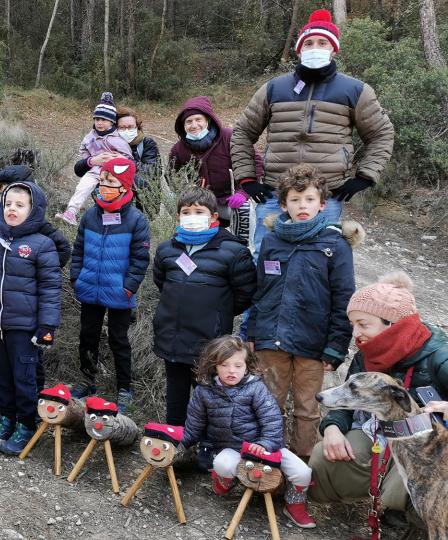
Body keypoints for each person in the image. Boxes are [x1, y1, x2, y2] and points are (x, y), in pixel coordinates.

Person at [231, 9, 395, 253]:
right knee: (266, 257)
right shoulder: (273, 88)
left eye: (322, 42)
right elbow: (243, 131)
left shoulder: (356, 90)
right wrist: (247, 179)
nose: (314, 47)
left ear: (333, 49)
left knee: (319, 259)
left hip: (326, 195)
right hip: (276, 193)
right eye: (308, 43)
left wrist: (364, 177)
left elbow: (381, 133)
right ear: (299, 49)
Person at [309, 271, 448, 520]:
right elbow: (348, 399)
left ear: (393, 324)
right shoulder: (367, 354)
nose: (355, 334)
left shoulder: (439, 355)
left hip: (432, 449)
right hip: (380, 435)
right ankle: (376, 504)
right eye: (353, 325)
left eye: (363, 324)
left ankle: (411, 518)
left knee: (420, 491)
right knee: (322, 457)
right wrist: (331, 428)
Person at [247, 164, 361, 459]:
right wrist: (251, 331)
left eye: (309, 199)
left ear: (323, 204)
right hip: (270, 339)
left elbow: (343, 299)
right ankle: (264, 464)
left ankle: (299, 469)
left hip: (313, 344)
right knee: (267, 402)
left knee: (307, 408)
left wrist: (336, 347)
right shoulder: (272, 239)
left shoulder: (335, 243)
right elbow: (260, 290)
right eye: (295, 200)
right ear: (283, 203)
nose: (302, 206)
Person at [0, 179, 61, 454]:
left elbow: (50, 290)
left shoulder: (42, 245)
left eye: (20, 205)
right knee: (1, 376)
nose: (12, 209)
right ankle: (6, 417)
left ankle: (26, 423)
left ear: (34, 209)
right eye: (8, 204)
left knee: (24, 377)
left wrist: (47, 326)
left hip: (25, 328)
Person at [179, 336, 316, 528]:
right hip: (233, 448)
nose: (231, 371)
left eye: (237, 365)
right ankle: (225, 482)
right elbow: (194, 426)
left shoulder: (256, 388)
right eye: (224, 365)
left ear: (246, 366)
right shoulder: (204, 392)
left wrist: (264, 444)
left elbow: (272, 421)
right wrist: (180, 444)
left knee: (302, 472)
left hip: (265, 446)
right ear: (214, 366)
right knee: (222, 464)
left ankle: (294, 504)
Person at [152, 187, 256, 426]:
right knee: (175, 398)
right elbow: (162, 284)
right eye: (186, 211)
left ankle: (206, 450)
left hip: (209, 342)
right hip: (172, 338)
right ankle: (174, 447)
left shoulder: (234, 251)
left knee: (209, 399)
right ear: (178, 216)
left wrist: (218, 314)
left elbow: (245, 294)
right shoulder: (167, 249)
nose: (192, 215)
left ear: (214, 217)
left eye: (199, 211)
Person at [69, 157, 150, 410]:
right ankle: (87, 379)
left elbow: (140, 259)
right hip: (90, 288)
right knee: (87, 336)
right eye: (102, 180)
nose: (104, 186)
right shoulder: (91, 215)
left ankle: (124, 388)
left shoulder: (136, 220)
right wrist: (76, 277)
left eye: (111, 182)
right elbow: (78, 249)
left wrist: (128, 288)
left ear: (125, 187)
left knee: (119, 340)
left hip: (119, 293)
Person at [169, 96, 263, 245]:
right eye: (188, 121)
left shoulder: (229, 137)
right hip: (199, 201)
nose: (194, 125)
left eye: (198, 119)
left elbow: (255, 162)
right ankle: (191, 248)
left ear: (208, 120)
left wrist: (244, 191)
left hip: (229, 200)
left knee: (245, 210)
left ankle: (245, 250)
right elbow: (171, 176)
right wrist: (186, 191)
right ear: (183, 125)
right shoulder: (179, 149)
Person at [56, 92, 133, 226]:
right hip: (94, 170)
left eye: (103, 120)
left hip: (112, 174)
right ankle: (71, 212)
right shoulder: (90, 137)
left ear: (112, 121)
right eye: (97, 119)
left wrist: (119, 159)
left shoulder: (118, 138)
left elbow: (128, 157)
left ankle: (115, 221)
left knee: (111, 195)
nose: (99, 123)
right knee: (82, 187)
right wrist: (91, 160)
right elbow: (83, 150)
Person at [0, 165, 72, 268]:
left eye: (9, 191)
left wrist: (37, 271)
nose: (5, 197)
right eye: (1, 193)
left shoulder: (38, 225)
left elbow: (63, 249)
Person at [112, 107, 160, 191]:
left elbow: (154, 171)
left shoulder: (147, 143)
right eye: (122, 127)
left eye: (130, 127)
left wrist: (127, 161)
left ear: (137, 127)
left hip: (144, 197)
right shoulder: (110, 144)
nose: (126, 131)